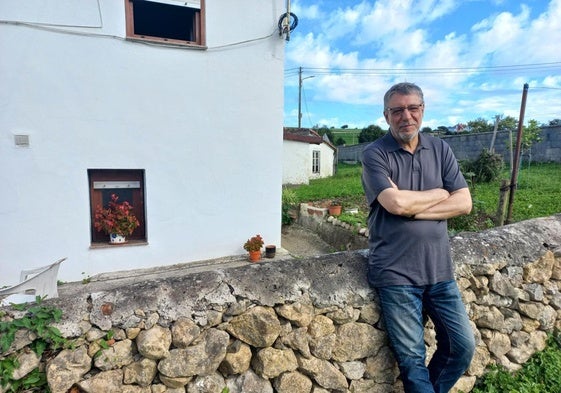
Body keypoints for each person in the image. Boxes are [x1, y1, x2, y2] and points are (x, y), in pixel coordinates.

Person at [361, 82, 475, 393]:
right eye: (397, 110)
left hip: (440, 271)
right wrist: (440, 193)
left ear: (422, 110)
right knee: (412, 362)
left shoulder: (440, 149)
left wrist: (414, 209)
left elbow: (464, 203)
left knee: (462, 347)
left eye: (413, 108)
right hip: (396, 273)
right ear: (386, 116)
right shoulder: (374, 154)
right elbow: (394, 203)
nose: (406, 116)